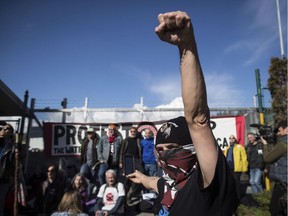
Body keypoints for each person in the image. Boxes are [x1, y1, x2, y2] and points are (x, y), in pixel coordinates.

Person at [127, 11, 238, 215]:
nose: (165, 155)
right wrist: (141, 178)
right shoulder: (169, 186)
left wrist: (186, 47)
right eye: (160, 149)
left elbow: (198, 120)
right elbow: (155, 182)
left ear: (193, 147)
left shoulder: (208, 185)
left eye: (173, 147)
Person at [262, 120, 287, 216]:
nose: (278, 132)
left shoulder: (283, 144)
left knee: (275, 209)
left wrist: (265, 145)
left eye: (279, 130)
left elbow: (268, 158)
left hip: (283, 182)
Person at [119, 126, 143, 205]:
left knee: (138, 178)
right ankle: (124, 198)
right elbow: (121, 152)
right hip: (127, 160)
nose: (133, 133)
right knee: (126, 179)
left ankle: (130, 194)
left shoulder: (139, 140)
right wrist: (121, 162)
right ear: (130, 132)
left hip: (136, 161)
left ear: (136, 132)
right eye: (132, 131)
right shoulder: (125, 140)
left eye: (134, 131)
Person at [223, 135, 248, 200]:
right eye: (230, 138)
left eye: (233, 138)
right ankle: (231, 197)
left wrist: (244, 168)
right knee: (230, 183)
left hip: (236, 169)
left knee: (236, 183)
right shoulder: (227, 148)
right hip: (228, 169)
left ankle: (238, 198)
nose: (231, 139)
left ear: (235, 139)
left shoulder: (240, 147)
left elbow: (244, 158)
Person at [0, 122, 15, 216]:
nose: (3, 130)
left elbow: (21, 156)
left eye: (7, 129)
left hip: (3, 177)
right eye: (2, 128)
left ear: (11, 132)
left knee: (0, 202)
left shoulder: (12, 146)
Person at [80, 128, 99, 192]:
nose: (89, 134)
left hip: (94, 163)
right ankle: (82, 191)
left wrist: (97, 162)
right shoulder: (85, 141)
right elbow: (82, 152)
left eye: (91, 133)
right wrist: (81, 161)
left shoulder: (97, 141)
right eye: (88, 133)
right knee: (82, 173)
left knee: (93, 178)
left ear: (94, 133)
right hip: (86, 162)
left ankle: (90, 193)